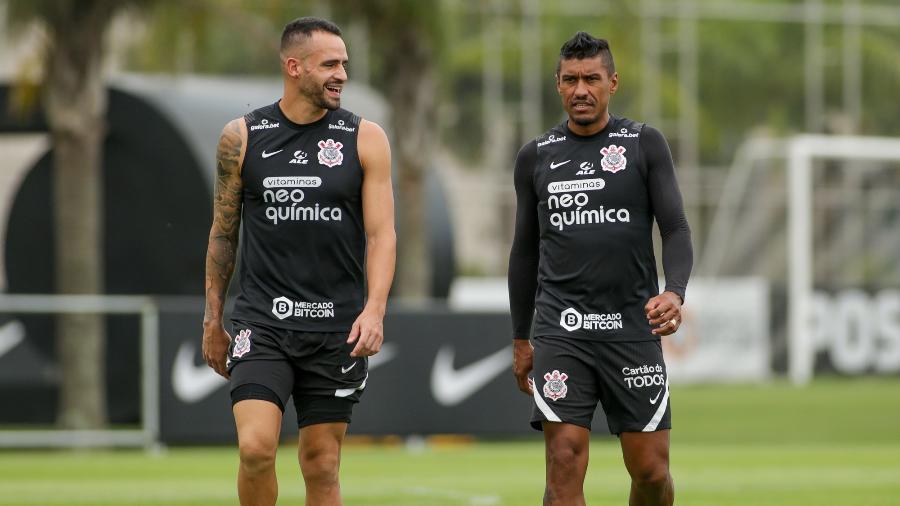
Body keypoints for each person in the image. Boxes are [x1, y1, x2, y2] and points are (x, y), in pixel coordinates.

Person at [201, 17, 395, 506]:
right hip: (263, 323)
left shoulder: (365, 138)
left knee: (321, 463)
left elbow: (382, 235)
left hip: (336, 329)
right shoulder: (241, 137)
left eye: (344, 64)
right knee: (256, 448)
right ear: (293, 66)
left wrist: (374, 310)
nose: (342, 75)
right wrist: (212, 318)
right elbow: (224, 233)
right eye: (330, 64)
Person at [508, 31, 692, 506]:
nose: (581, 90)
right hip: (562, 329)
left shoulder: (644, 144)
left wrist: (674, 292)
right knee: (564, 462)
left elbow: (674, 227)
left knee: (651, 471)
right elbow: (525, 253)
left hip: (631, 327)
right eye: (570, 80)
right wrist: (521, 337)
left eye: (592, 78)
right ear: (558, 85)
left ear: (613, 82)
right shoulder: (536, 156)